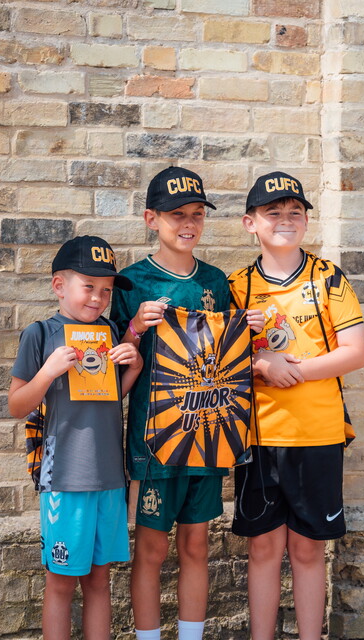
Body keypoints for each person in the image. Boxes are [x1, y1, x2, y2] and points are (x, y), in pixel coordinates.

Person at [110, 166, 261, 640]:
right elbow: (111, 368)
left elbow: (229, 357)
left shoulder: (215, 281)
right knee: (151, 550)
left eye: (197, 213)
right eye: (177, 214)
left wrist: (251, 332)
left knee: (197, 545)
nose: (189, 223)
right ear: (151, 219)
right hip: (153, 442)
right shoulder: (129, 283)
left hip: (208, 435)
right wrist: (135, 327)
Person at [228, 171, 364, 640]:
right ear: (250, 223)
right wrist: (260, 363)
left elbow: (356, 352)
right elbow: (218, 361)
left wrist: (293, 370)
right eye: (273, 212)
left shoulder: (328, 277)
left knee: (308, 552)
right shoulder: (236, 286)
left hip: (318, 435)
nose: (285, 219)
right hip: (258, 439)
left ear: (307, 220)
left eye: (295, 211)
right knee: (263, 550)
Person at [8, 235, 142, 640]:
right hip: (64, 480)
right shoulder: (40, 334)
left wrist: (133, 365)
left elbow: (109, 397)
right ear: (59, 286)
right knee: (61, 583)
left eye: (107, 290)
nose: (98, 297)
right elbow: (16, 405)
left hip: (110, 479)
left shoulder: (110, 331)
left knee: (100, 581)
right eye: (89, 286)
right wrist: (48, 371)